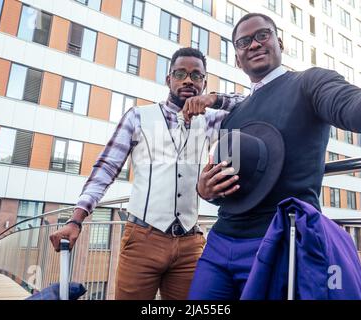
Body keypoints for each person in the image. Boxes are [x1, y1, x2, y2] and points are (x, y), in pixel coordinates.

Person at [187, 13, 361, 300]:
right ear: (237, 59)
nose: (253, 44)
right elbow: (227, 183)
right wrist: (205, 191)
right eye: (243, 42)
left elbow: (349, 105)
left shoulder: (309, 83)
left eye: (262, 35)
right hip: (220, 241)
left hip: (279, 240)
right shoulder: (234, 115)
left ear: (279, 42)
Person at [49, 47, 243, 300]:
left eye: (196, 76)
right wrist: (76, 220)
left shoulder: (210, 120)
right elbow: (106, 169)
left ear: (204, 82)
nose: (188, 80)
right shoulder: (138, 117)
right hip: (142, 240)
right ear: (168, 79)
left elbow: (251, 102)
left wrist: (213, 100)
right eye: (180, 73)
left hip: (190, 243)